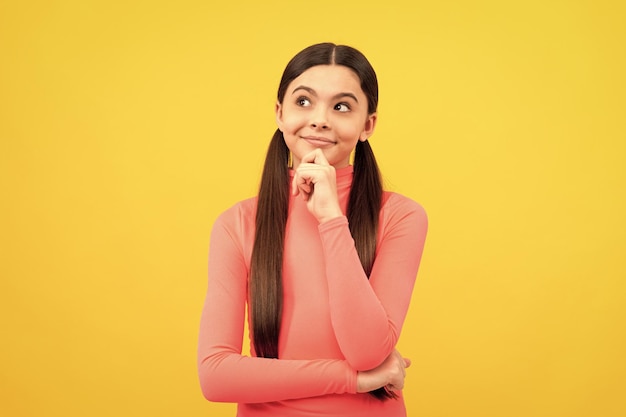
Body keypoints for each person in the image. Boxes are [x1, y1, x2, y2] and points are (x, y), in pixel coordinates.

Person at [197, 42, 428, 417]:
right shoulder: (236, 224)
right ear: (279, 113)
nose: (320, 119)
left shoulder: (400, 216)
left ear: (367, 125)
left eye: (341, 106)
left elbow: (368, 350)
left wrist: (332, 221)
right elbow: (215, 376)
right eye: (303, 101)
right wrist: (352, 380)